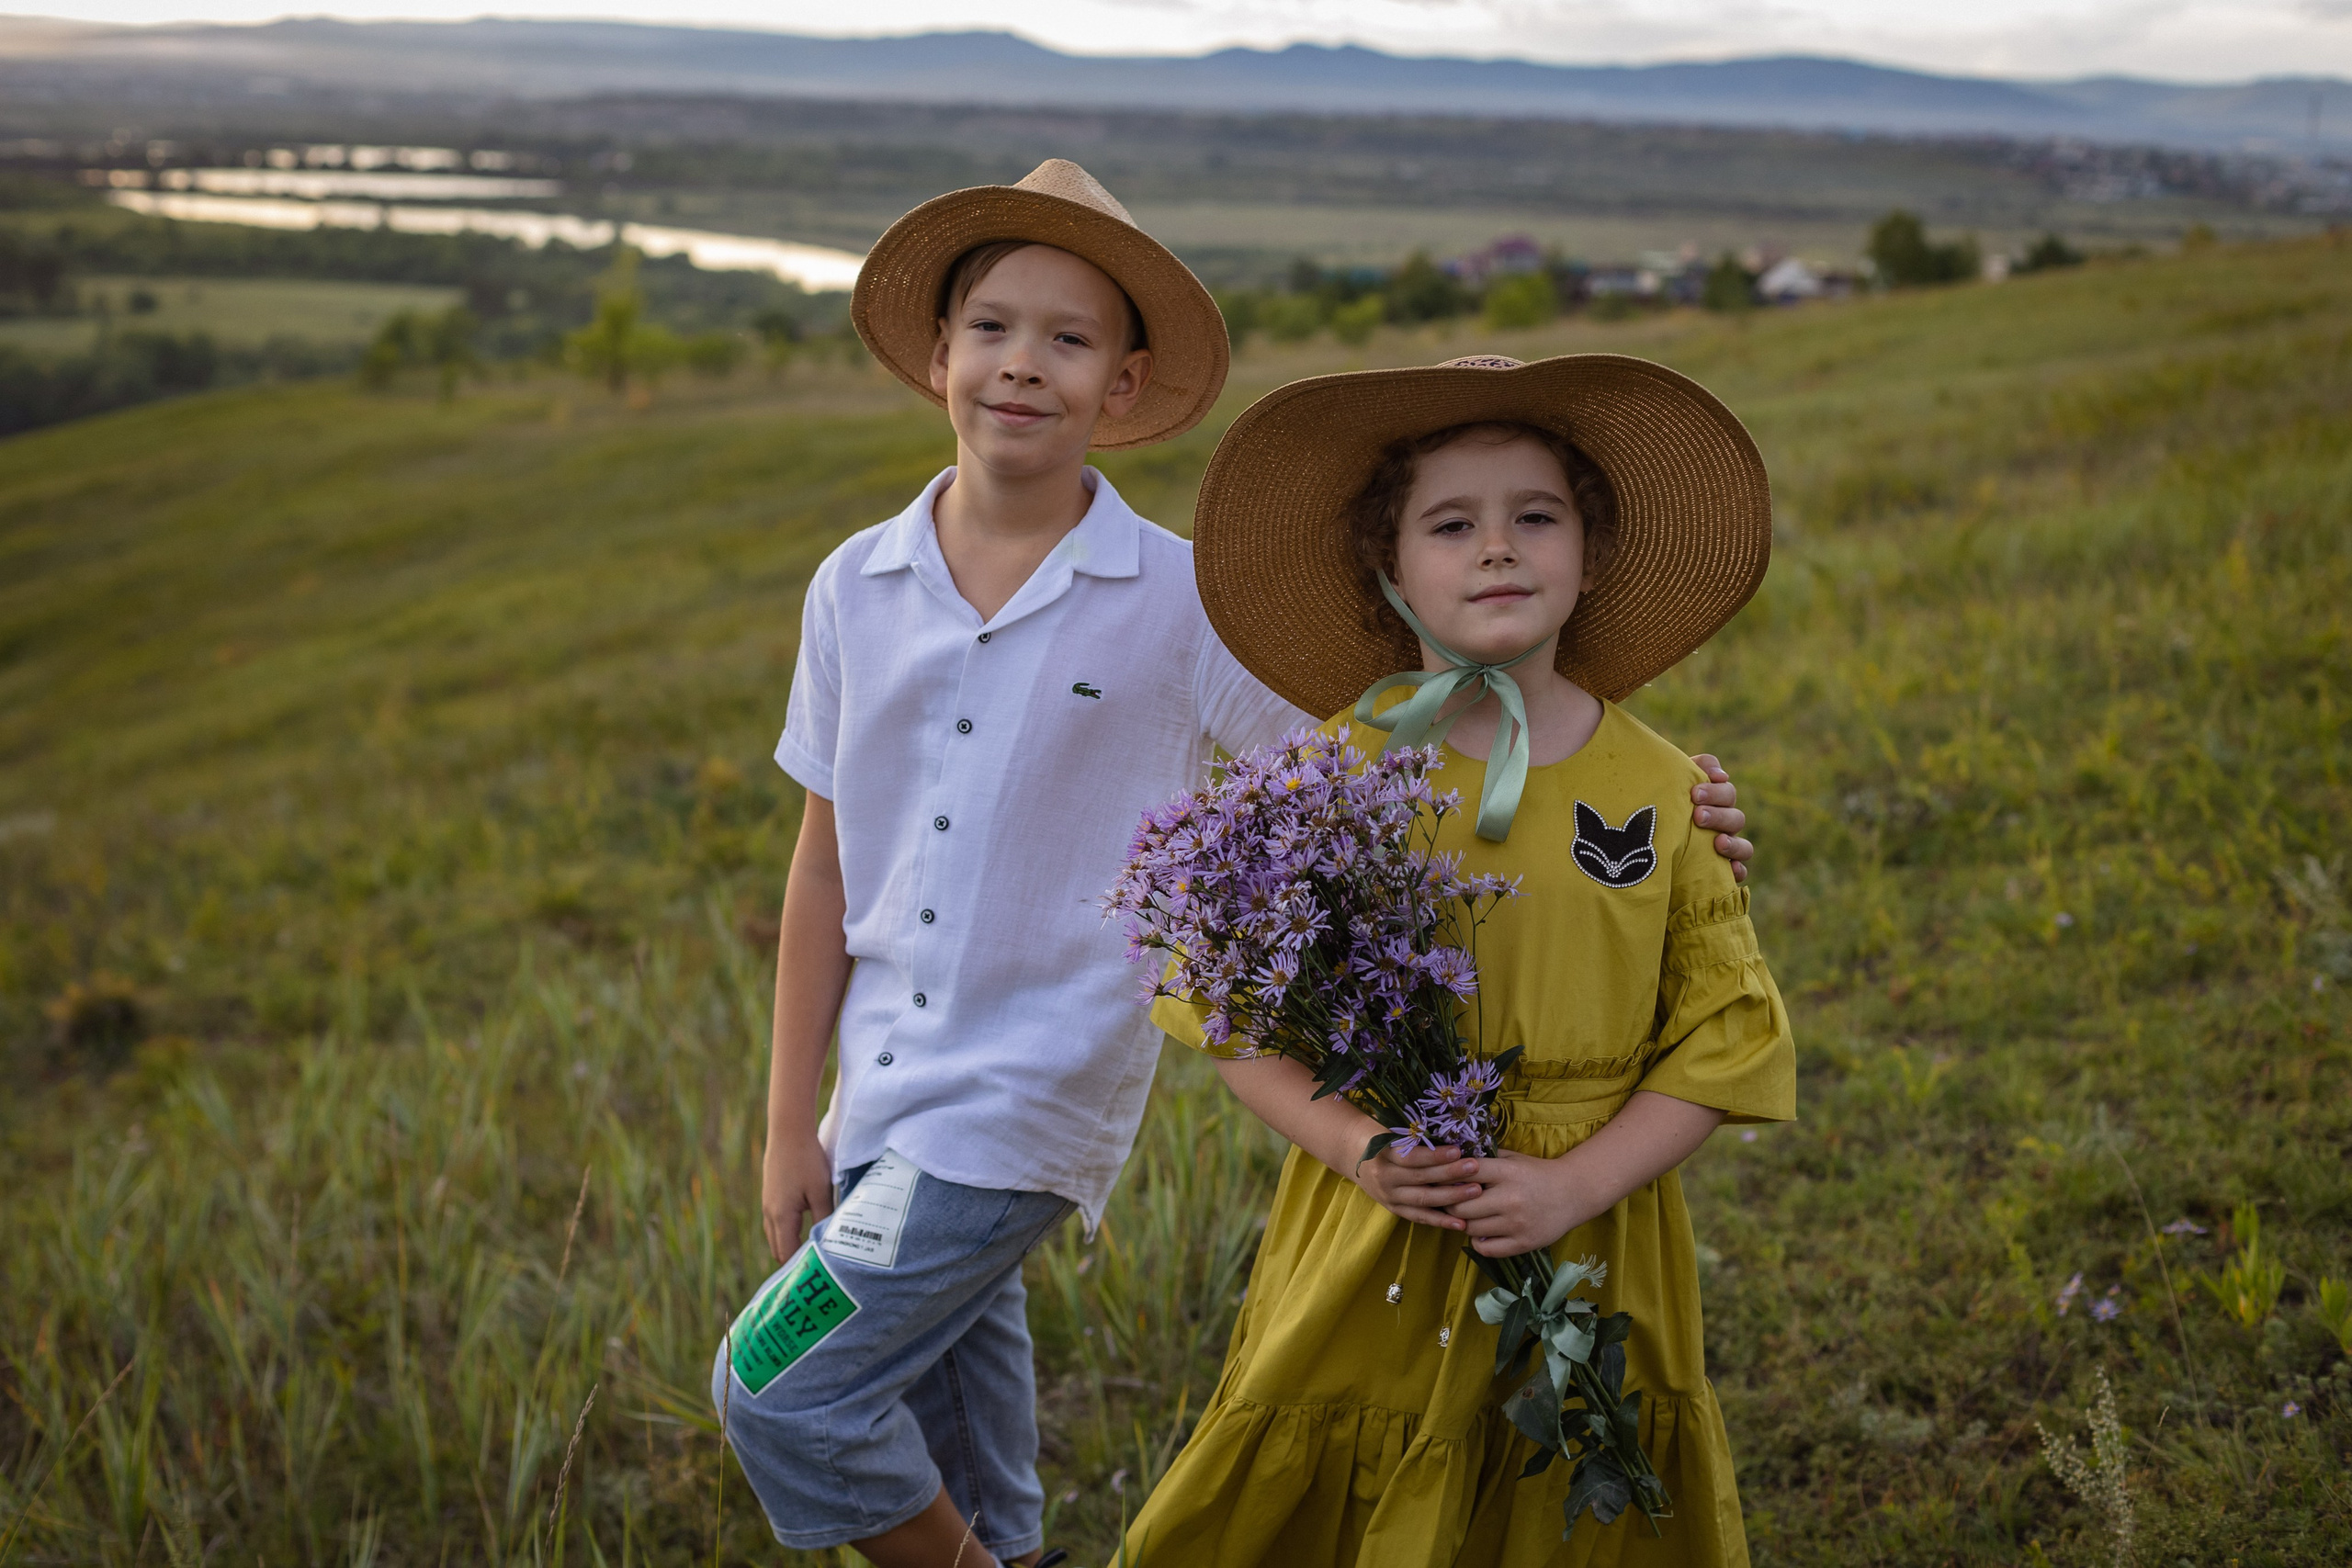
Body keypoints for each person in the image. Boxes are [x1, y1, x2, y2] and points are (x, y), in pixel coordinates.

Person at [712, 159, 1759, 1568]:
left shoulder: (1177, 599)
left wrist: (1657, 824)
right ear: (938, 353)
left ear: (1125, 387)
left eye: (1069, 339)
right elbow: (822, 870)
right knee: (967, 1445)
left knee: (781, 1384)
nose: (1023, 365)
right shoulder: (853, 583)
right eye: (993, 328)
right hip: (881, 1098)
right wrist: (794, 1122)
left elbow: (1379, 767)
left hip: (1022, 1099)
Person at [1126, 353, 1798, 1566]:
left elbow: (1723, 1042)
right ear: (1390, 572)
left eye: (1534, 517)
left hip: (1594, 1224)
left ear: (1588, 555)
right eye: (1453, 524)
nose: (1499, 548)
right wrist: (1363, 1149)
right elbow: (1232, 1016)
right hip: (1386, 1229)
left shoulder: (1664, 788)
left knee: (1567, 1487)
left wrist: (1573, 1187)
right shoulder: (1329, 781)